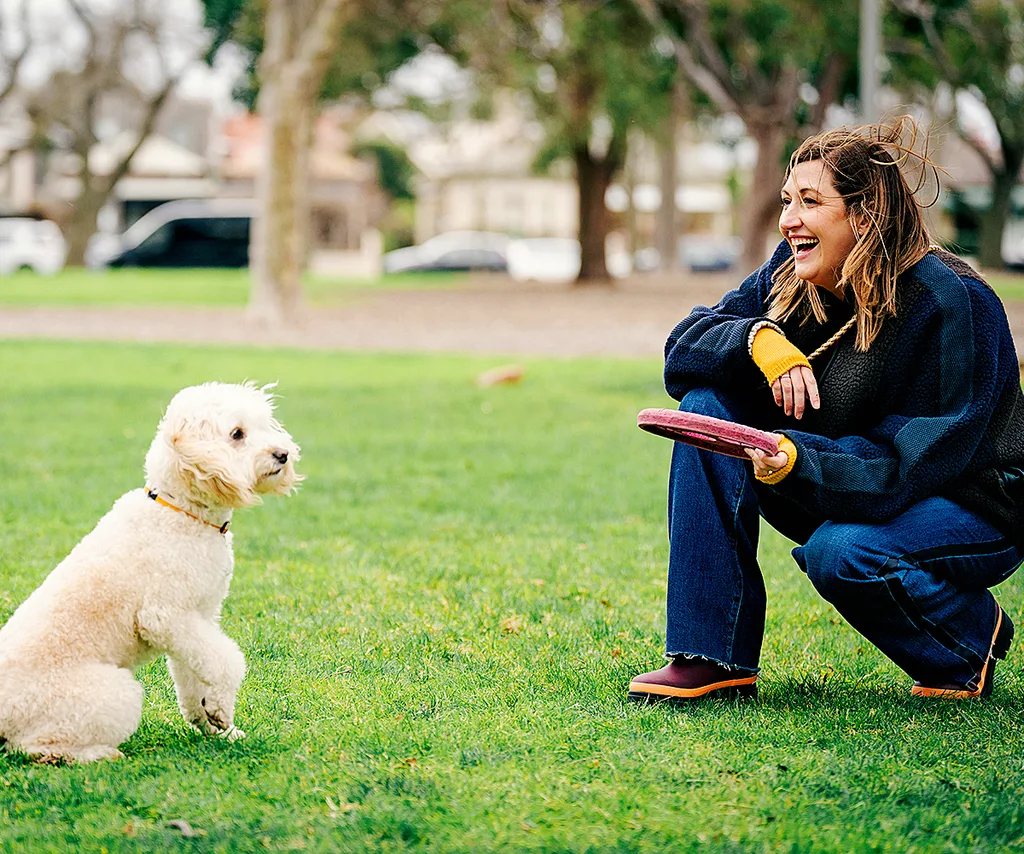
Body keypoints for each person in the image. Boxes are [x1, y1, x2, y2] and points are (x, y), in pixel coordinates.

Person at [628, 117, 1024, 704]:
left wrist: (795, 458)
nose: (788, 220)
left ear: (863, 217)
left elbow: (909, 464)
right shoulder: (789, 277)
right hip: (846, 479)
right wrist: (759, 341)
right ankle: (710, 657)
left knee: (842, 552)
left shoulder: (953, 301)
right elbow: (683, 350)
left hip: (973, 501)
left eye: (810, 202)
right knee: (707, 410)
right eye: (788, 201)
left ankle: (968, 638)